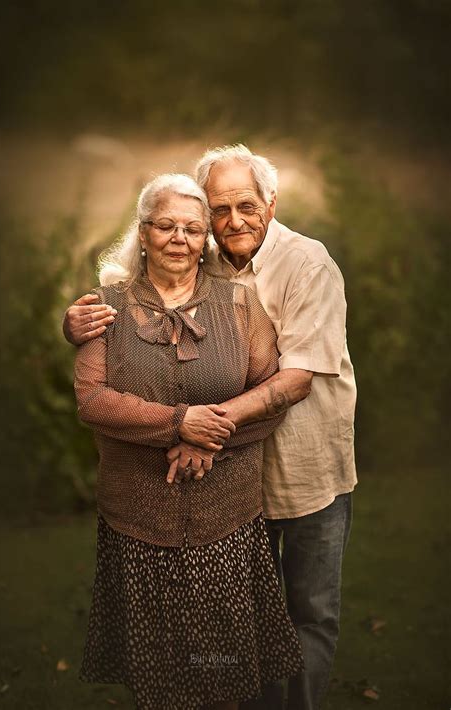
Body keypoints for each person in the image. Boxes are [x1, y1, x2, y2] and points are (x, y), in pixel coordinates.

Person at [65, 146, 357, 710]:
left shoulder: (307, 264)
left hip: (303, 466)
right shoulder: (210, 259)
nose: (231, 222)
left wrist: (203, 431)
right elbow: (112, 370)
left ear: (271, 203)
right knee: (242, 624)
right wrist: (73, 322)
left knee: (307, 611)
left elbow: (292, 382)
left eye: (246, 206)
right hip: (229, 483)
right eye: (218, 211)